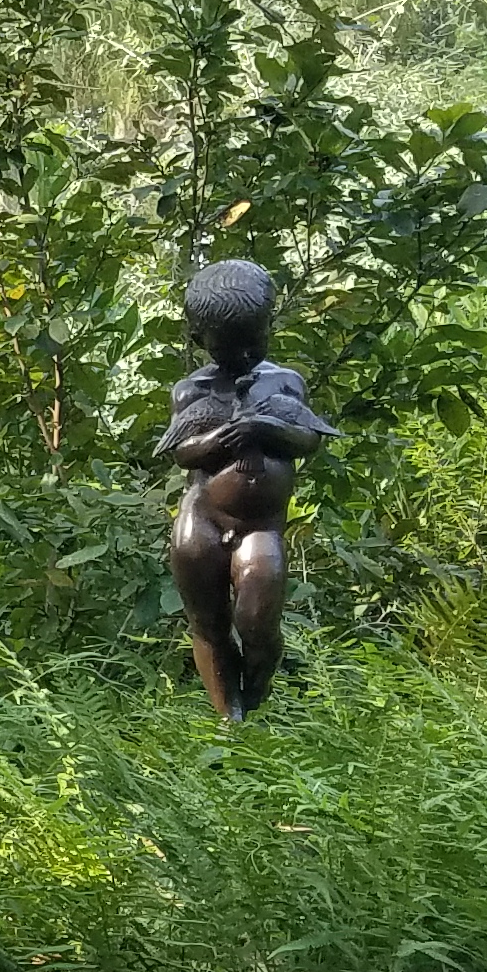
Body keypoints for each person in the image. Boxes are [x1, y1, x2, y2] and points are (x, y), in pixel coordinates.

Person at [154, 259, 333, 719]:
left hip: (259, 523)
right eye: (231, 349)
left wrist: (263, 426)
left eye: (255, 343)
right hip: (203, 518)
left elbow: (308, 439)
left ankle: (255, 691)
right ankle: (228, 719)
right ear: (199, 342)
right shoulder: (191, 391)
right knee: (208, 621)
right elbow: (182, 451)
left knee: (257, 618)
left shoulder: (285, 382)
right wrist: (218, 439)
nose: (247, 357)